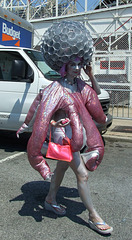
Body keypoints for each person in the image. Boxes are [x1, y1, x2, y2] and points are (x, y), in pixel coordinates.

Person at [17, 21, 113, 235]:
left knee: (61, 168)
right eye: (73, 65)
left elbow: (97, 106)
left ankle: (50, 199)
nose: (77, 68)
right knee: (82, 175)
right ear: (64, 66)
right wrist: (46, 125)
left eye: (80, 64)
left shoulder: (81, 86)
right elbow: (43, 117)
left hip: (76, 140)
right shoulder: (55, 89)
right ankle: (93, 216)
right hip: (66, 141)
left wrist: (91, 76)